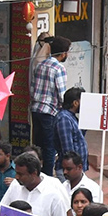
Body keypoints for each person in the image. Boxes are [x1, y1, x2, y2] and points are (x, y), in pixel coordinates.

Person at [29, 36, 69, 175]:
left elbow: (32, 88)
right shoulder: (59, 69)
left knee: (38, 146)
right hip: (50, 112)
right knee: (49, 147)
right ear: (64, 53)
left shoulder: (40, 65)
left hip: (35, 110)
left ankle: (35, 173)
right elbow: (62, 95)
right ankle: (46, 176)